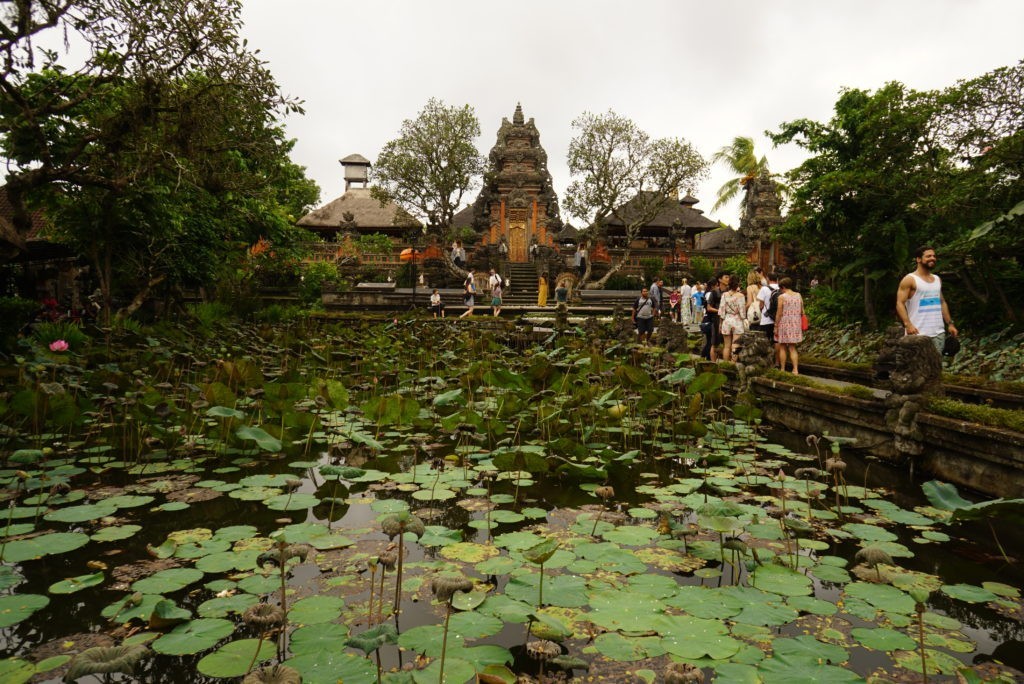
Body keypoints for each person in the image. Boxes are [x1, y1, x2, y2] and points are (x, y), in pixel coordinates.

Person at [896, 245, 958, 355]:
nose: (932, 258)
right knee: (916, 368)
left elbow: (942, 302)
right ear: (918, 259)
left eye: (934, 256)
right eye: (928, 256)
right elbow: (900, 303)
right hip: (917, 334)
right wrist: (908, 324)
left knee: (935, 367)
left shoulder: (937, 279)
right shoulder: (910, 279)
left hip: (938, 333)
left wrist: (950, 324)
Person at [774, 277, 805, 374]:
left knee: (782, 346)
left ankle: (782, 369)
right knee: (792, 347)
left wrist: (776, 326)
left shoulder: (782, 297)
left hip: (785, 322)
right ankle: (795, 369)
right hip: (796, 323)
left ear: (783, 287)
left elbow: (779, 313)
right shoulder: (798, 295)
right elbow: (802, 311)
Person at [719, 276, 747, 362]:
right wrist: (744, 318)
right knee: (735, 345)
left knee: (726, 346)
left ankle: (725, 364)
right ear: (738, 284)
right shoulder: (741, 296)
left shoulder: (724, 295)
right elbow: (742, 313)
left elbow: (721, 310)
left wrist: (720, 324)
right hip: (737, 321)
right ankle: (732, 363)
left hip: (727, 320)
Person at [758, 272, 781, 362]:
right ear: (777, 279)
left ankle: (766, 361)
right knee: (777, 341)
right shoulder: (781, 288)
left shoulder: (764, 288)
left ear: (768, 279)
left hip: (766, 319)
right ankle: (777, 361)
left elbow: (761, 305)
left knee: (765, 341)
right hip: (778, 320)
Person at [700, 277, 721, 360]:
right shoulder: (711, 294)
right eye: (717, 285)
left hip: (707, 317)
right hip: (710, 318)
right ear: (713, 286)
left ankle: (705, 357)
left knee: (710, 340)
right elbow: (708, 307)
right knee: (710, 341)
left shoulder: (707, 293)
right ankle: (704, 357)